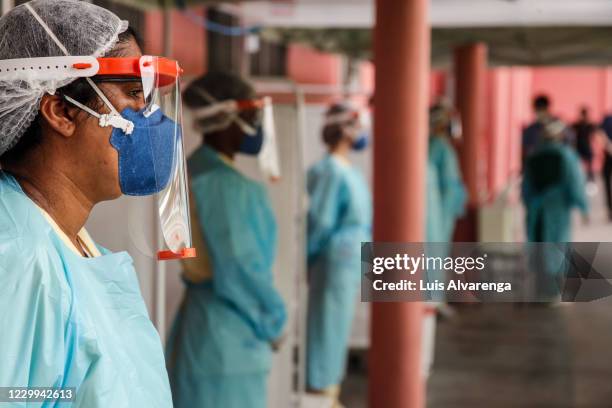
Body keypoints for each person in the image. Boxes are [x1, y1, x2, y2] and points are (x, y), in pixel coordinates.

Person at [0, 1, 178, 406]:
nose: (151, 118)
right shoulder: (14, 256)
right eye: (134, 94)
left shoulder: (71, 242)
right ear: (61, 111)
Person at [166, 72, 287, 408]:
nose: (258, 125)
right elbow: (241, 269)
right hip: (229, 341)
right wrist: (273, 321)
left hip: (200, 333)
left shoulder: (191, 171)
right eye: (251, 116)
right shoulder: (227, 186)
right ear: (224, 119)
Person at [306, 103, 372, 407]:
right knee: (326, 326)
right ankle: (320, 390)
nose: (360, 133)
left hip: (348, 258)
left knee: (338, 325)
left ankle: (330, 387)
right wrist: (309, 257)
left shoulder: (348, 169)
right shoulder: (330, 170)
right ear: (344, 130)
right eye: (355, 126)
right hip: (333, 259)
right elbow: (321, 221)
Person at [522, 119, 589, 300]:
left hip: (537, 212)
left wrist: (531, 204)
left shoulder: (534, 155)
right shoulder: (566, 156)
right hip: (558, 211)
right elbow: (575, 184)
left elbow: (526, 187)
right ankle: (553, 293)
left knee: (538, 246)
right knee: (557, 249)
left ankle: (540, 290)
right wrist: (584, 208)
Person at [572, 107, 596, 182]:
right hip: (579, 147)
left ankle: (590, 180)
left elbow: (595, 135)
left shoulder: (590, 125)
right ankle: (578, 179)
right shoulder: (577, 124)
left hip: (587, 147)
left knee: (589, 166)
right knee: (577, 165)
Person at [600, 114, 612, 220]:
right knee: (607, 183)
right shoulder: (607, 118)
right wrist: (608, 146)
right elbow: (600, 133)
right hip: (608, 156)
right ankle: (610, 210)